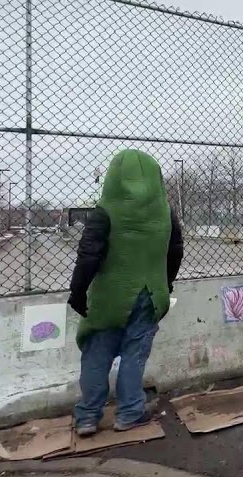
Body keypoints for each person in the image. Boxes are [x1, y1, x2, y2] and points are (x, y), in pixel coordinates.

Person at [68, 149, 183, 437]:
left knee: (97, 353)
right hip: (151, 295)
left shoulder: (104, 212)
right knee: (135, 354)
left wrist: (78, 292)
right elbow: (175, 252)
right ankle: (130, 412)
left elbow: (88, 255)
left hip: (109, 297)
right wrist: (165, 284)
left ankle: (87, 417)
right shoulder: (166, 213)